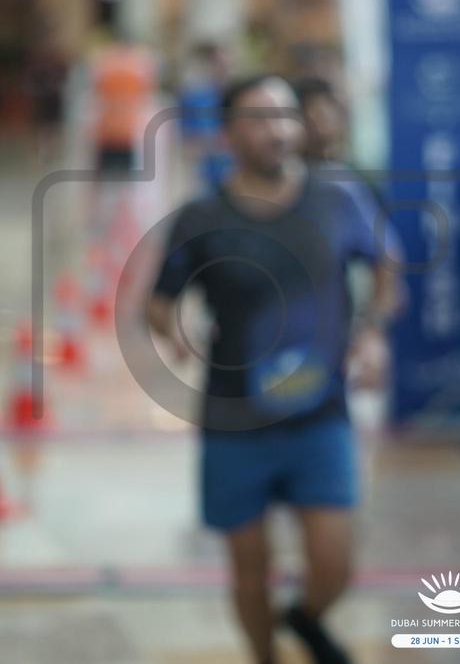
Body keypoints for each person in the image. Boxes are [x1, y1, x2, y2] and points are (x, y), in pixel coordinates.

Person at [146, 75, 401, 664]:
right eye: (260, 118)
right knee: (249, 567)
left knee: (335, 561)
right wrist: (173, 330)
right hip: (234, 418)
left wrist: (372, 334)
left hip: (322, 411)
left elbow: (386, 264)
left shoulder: (339, 198)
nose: (279, 130)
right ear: (228, 132)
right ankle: (264, 655)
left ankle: (305, 619)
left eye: (286, 116)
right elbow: (158, 302)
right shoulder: (201, 217)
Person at [296, 77, 402, 390]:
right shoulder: (275, 186)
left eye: (325, 114)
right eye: (309, 116)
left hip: (337, 323)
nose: (319, 125)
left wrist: (372, 328)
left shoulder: (354, 184)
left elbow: (387, 258)